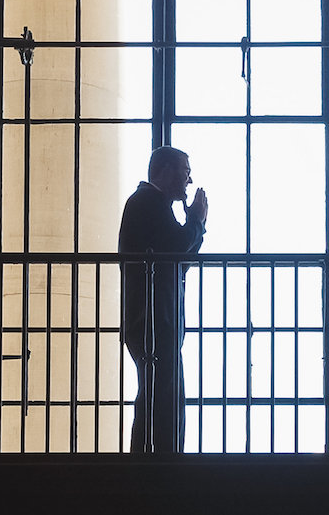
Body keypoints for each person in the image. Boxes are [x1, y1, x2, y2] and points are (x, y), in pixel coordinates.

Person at [119, 146, 208, 453]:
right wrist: (196, 221)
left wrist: (193, 227)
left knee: (160, 393)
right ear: (167, 170)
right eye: (185, 170)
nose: (189, 179)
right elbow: (177, 245)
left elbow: (179, 256)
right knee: (162, 397)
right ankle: (158, 463)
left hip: (151, 320)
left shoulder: (147, 204)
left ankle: (157, 460)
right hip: (154, 320)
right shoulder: (149, 203)